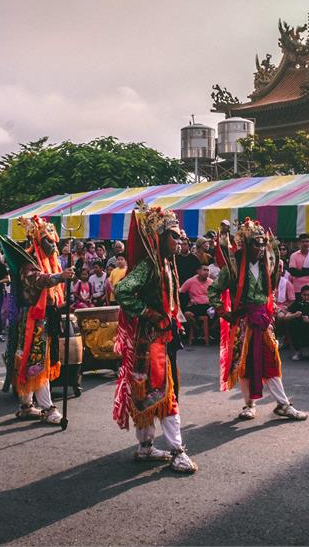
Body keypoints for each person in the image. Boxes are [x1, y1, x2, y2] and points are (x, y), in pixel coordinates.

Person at [112, 202, 196, 473]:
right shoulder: (150, 265)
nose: (179, 240)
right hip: (150, 342)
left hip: (162, 338)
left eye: (180, 235)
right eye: (174, 235)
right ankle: (177, 450)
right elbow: (123, 290)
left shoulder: (169, 263)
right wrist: (147, 312)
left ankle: (146, 447)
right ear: (160, 238)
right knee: (162, 395)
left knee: (151, 393)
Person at [209, 217, 307, 422]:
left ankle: (283, 404)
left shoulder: (267, 265)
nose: (262, 247)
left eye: (264, 242)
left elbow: (270, 292)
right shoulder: (233, 267)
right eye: (257, 243)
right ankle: (249, 405)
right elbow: (213, 290)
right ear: (245, 244)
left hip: (262, 321)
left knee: (270, 360)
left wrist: (270, 312)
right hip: (243, 322)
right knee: (244, 364)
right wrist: (222, 312)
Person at [8, 216, 75, 426]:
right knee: (37, 362)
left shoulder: (46, 262)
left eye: (54, 241)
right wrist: (60, 276)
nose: (54, 245)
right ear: (37, 241)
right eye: (48, 241)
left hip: (45, 318)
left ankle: (26, 405)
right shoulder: (28, 263)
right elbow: (41, 280)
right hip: (32, 321)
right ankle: (47, 408)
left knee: (32, 361)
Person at [284, 285, 309, 360]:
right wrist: (295, 315)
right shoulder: (296, 304)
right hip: (299, 329)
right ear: (301, 295)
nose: (306, 297)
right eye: (304, 295)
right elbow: (285, 318)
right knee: (291, 323)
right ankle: (298, 350)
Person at [179, 266, 213, 344]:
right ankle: (197, 330)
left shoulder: (211, 282)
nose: (206, 272)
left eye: (208, 270)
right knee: (187, 314)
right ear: (198, 271)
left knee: (221, 314)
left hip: (208, 307)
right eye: (204, 270)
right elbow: (181, 292)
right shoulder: (191, 281)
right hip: (195, 306)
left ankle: (209, 331)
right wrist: (189, 299)